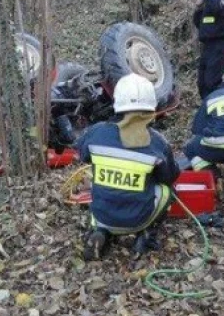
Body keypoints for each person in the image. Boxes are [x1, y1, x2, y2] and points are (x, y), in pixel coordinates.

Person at [75, 74, 179, 261]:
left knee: (96, 183)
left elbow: (82, 155)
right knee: (167, 191)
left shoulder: (96, 132)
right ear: (151, 109)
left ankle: (101, 231)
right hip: (137, 218)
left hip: (102, 214)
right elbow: (170, 177)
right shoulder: (157, 142)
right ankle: (146, 235)